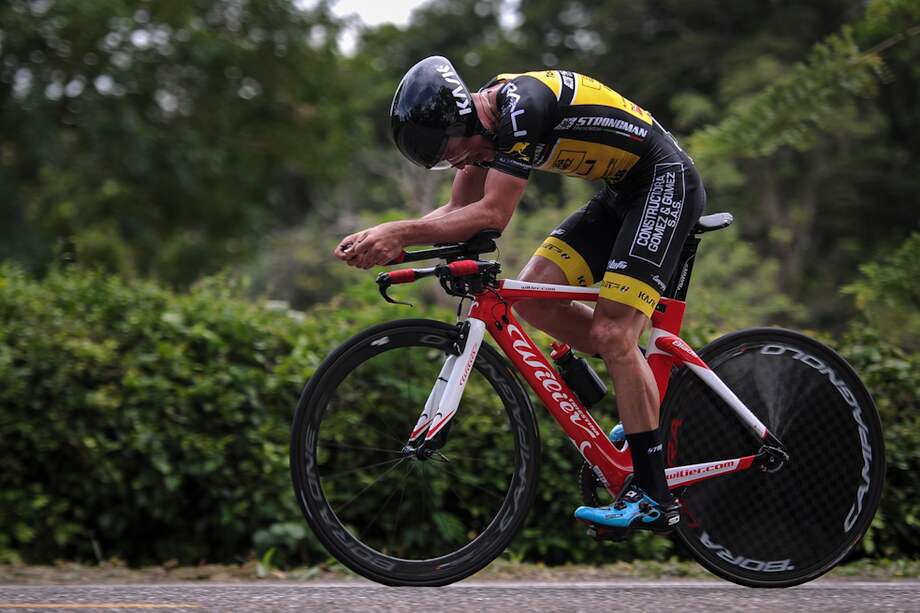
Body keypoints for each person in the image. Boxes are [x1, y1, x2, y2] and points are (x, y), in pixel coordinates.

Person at [333, 55, 706, 534]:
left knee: (613, 330)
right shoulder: (478, 126)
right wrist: (396, 241)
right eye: (447, 162)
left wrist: (401, 231)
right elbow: (458, 208)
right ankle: (640, 394)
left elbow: (491, 216)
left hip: (663, 183)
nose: (459, 163)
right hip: (621, 192)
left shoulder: (519, 113)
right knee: (533, 297)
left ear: (463, 121)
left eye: (455, 153)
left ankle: (655, 495)